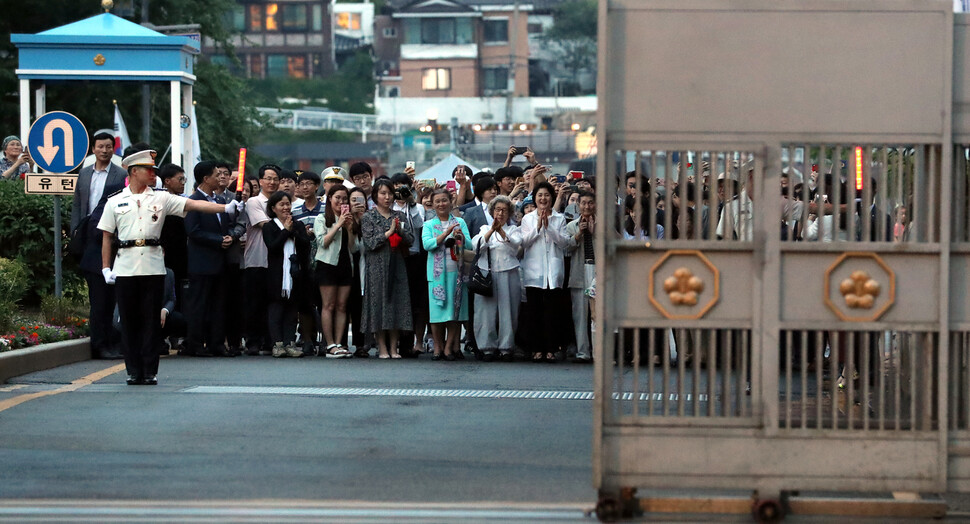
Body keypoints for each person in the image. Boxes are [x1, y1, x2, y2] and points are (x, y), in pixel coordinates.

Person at [98, 150, 244, 386]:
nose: (153, 174)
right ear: (134, 171)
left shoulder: (161, 198)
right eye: (148, 170)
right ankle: (133, 370)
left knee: (150, 321)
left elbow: (193, 204)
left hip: (154, 266)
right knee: (130, 320)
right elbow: (106, 236)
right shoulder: (115, 200)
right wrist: (106, 267)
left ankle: (149, 370)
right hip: (125, 265)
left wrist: (225, 209)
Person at [361, 178, 414, 359]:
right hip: (376, 265)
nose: (387, 197)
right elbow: (370, 243)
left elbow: (411, 240)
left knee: (396, 304)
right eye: (383, 193)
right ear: (375, 195)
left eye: (390, 193)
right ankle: (381, 346)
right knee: (379, 304)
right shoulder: (368, 216)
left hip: (397, 263)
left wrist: (399, 231)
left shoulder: (399, 216)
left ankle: (394, 347)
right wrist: (388, 233)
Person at [183, 161, 232, 357]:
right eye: (216, 174)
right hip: (201, 262)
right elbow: (193, 231)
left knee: (219, 305)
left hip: (220, 261)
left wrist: (228, 237)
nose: (220, 177)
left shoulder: (219, 201)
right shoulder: (193, 201)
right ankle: (195, 344)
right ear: (205, 179)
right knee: (199, 305)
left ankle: (217, 344)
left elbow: (225, 225)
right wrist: (218, 240)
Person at [519, 182, 571, 362]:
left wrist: (549, 227)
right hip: (534, 272)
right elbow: (523, 243)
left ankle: (551, 349)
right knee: (534, 312)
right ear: (535, 198)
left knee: (552, 313)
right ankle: (536, 349)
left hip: (554, 272)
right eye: (540, 195)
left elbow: (565, 243)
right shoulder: (528, 219)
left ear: (552, 198)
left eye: (547, 195)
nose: (543, 199)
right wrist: (539, 226)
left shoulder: (559, 218)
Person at [470, 195, 521, 362]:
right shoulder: (484, 228)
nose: (500, 213)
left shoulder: (513, 229)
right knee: (485, 312)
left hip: (509, 272)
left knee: (508, 311)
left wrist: (501, 231)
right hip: (487, 273)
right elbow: (476, 245)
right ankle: (487, 348)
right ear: (492, 212)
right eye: (498, 210)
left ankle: (506, 348)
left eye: (504, 210)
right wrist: (492, 230)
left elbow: (516, 246)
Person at [422, 188, 471, 361]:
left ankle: (449, 347)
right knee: (436, 314)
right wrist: (445, 234)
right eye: (438, 201)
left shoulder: (459, 222)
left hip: (457, 274)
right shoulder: (428, 224)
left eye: (444, 200)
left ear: (450, 202)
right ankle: (438, 346)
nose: (441, 204)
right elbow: (427, 244)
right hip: (436, 277)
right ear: (432, 204)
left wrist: (460, 237)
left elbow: (470, 245)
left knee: (454, 312)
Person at [79, 182, 126, 360]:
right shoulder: (105, 206)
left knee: (108, 307)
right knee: (100, 307)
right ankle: (99, 346)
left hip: (110, 266)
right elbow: (98, 232)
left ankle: (109, 343)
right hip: (96, 265)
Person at [263, 191, 311, 358]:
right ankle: (277, 344)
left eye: (288, 204)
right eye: (281, 204)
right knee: (276, 309)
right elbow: (273, 246)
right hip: (276, 275)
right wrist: (285, 231)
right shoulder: (269, 226)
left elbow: (306, 245)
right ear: (273, 208)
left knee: (292, 311)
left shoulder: (297, 224)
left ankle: (290, 342)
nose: (286, 207)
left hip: (295, 274)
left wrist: (294, 232)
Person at [313, 185, 358, 358]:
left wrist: (349, 227)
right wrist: (338, 224)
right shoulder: (321, 218)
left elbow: (353, 248)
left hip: (346, 265)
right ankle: (329, 344)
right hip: (327, 265)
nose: (341, 202)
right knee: (328, 305)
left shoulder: (349, 219)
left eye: (344, 199)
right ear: (329, 198)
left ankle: (339, 343)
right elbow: (322, 242)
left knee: (341, 306)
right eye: (337, 198)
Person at [243, 164, 281, 355]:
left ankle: (270, 340)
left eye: (275, 178)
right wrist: (286, 224)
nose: (272, 182)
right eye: (268, 178)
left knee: (272, 302)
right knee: (254, 303)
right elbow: (265, 224)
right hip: (256, 259)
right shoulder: (254, 202)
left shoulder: (283, 202)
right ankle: (252, 341)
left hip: (276, 260)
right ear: (260, 181)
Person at [391, 171, 429, 357]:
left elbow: (419, 224)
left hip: (413, 257)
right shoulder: (387, 205)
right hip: (393, 256)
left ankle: (409, 342)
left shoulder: (417, 207)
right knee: (395, 299)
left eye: (403, 186)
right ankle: (394, 342)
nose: (399, 189)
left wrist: (412, 202)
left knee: (413, 301)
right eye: (396, 185)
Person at [291, 170, 323, 354]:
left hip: (323, 259)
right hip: (303, 260)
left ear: (316, 186)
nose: (304, 187)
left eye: (308, 183)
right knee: (305, 301)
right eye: (301, 184)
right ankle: (307, 338)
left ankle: (326, 339)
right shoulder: (295, 211)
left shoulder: (326, 207)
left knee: (323, 301)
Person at [71, 132, 126, 232]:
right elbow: (77, 204)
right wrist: (75, 229)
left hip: (110, 228)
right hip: (86, 227)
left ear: (113, 149)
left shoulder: (122, 174)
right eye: (100, 147)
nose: (104, 151)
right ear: (93, 149)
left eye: (108, 147)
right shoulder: (84, 173)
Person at [565, 191, 596, 362]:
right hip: (579, 271)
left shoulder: (603, 224)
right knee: (580, 314)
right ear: (578, 205)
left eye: (590, 203)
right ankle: (583, 352)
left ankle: (599, 350)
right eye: (583, 203)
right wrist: (579, 235)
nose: (587, 206)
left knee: (598, 313)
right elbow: (566, 248)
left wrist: (595, 231)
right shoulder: (571, 226)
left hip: (598, 270)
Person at [346, 186, 370, 357]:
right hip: (351, 266)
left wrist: (364, 221)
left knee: (365, 306)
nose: (357, 203)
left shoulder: (371, 219)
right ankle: (354, 343)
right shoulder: (344, 219)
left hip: (369, 265)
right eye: (353, 200)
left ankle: (366, 342)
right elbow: (352, 247)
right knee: (353, 305)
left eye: (360, 200)